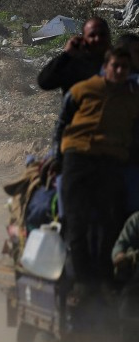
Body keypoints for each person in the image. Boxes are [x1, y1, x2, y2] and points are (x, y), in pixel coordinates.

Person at [54, 47, 139, 295]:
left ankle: (104, 279)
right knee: (76, 221)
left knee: (110, 220)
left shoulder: (133, 97)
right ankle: (82, 281)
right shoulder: (83, 90)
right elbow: (62, 124)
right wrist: (57, 158)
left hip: (111, 162)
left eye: (125, 67)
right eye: (116, 66)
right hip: (78, 159)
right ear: (106, 67)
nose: (120, 71)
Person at [37, 17, 111, 95]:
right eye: (92, 35)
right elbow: (45, 82)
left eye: (102, 34)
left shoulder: (118, 61)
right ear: (83, 39)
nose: (98, 39)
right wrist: (66, 55)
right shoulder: (73, 64)